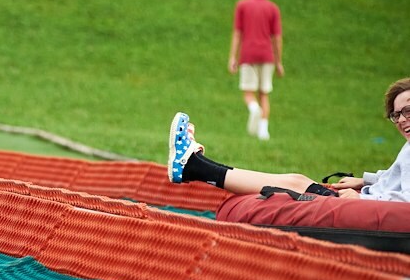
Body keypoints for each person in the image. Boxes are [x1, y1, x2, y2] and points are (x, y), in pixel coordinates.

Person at [167, 77, 410, 202]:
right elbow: (399, 178)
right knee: (297, 179)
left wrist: (363, 199)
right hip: (367, 199)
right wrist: (366, 180)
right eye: (396, 114)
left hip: (367, 206)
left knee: (294, 185)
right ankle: (195, 165)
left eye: (407, 111)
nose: (401, 120)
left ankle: (195, 166)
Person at [228, 0, 282, 141]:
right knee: (264, 93)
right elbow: (276, 37)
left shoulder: (242, 5)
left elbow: (238, 33)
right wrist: (279, 62)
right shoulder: (273, 8)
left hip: (248, 54)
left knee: (248, 92)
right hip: (267, 54)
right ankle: (263, 131)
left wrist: (233, 57)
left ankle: (254, 109)